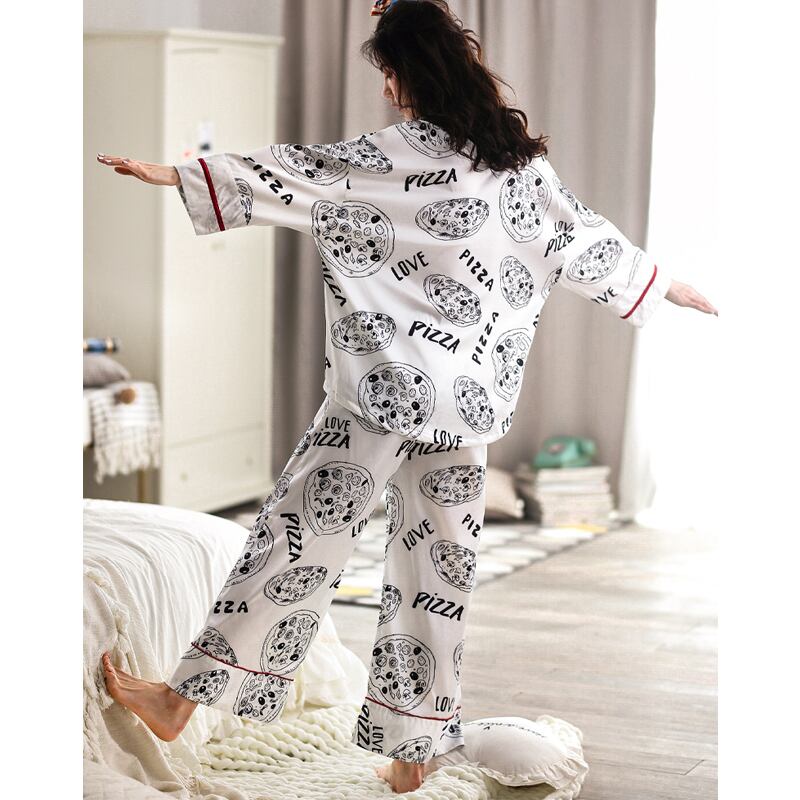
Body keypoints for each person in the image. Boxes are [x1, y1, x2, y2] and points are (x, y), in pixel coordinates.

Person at [96, 0, 717, 793]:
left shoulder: (387, 156)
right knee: (438, 575)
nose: (385, 89)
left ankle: (179, 702)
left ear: (402, 77)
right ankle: (412, 752)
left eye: (387, 73)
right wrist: (666, 285)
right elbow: (580, 238)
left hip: (382, 395)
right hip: (467, 406)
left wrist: (176, 174)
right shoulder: (518, 164)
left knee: (294, 541)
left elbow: (292, 173)